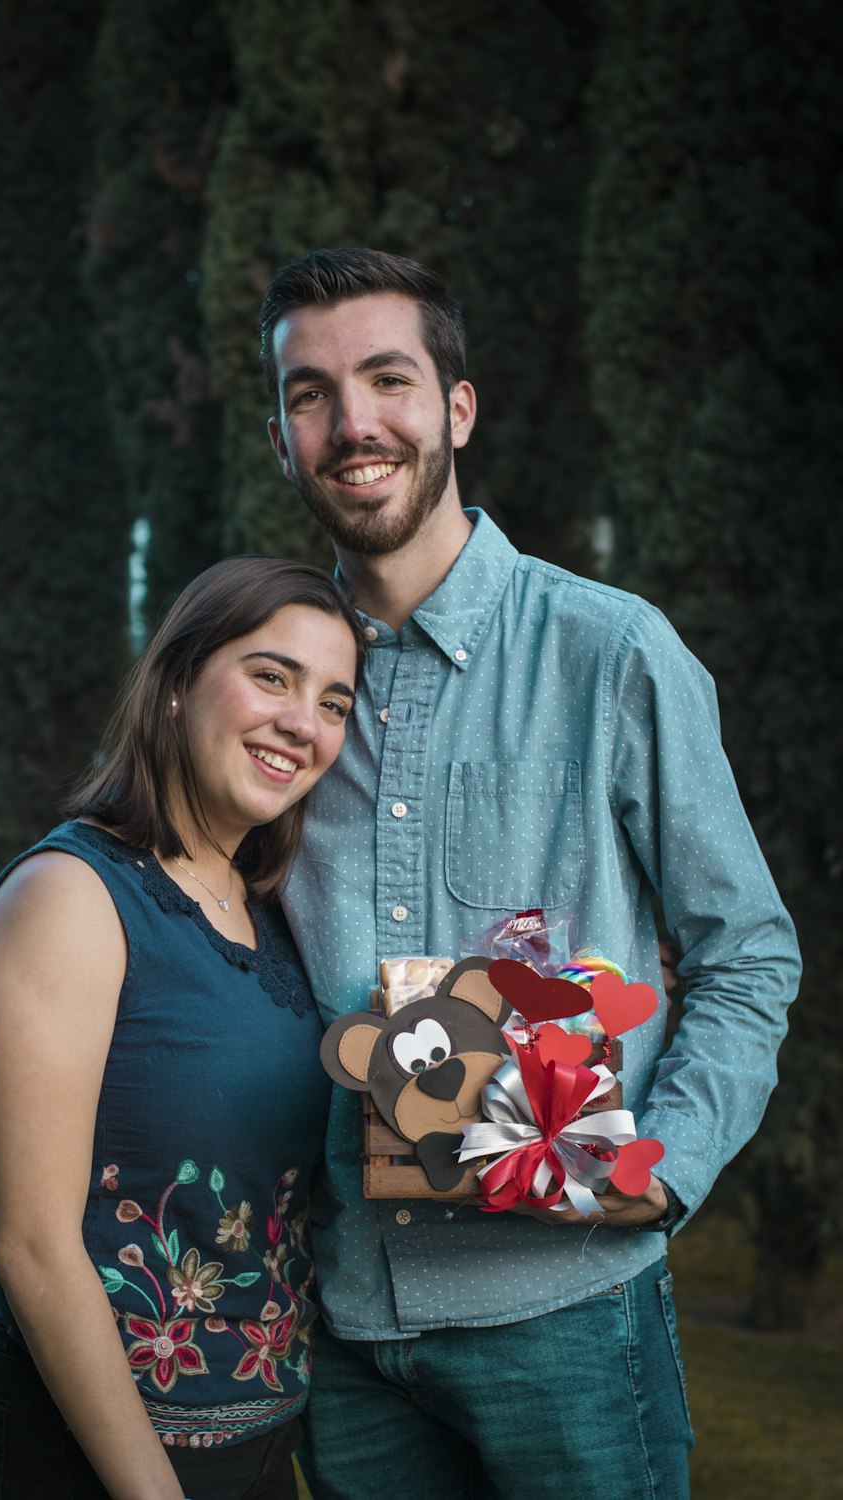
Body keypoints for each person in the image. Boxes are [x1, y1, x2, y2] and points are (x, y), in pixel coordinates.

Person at [259, 248, 801, 1500]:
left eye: (387, 379)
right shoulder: (276, 696)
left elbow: (747, 954)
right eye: (308, 394)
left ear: (455, 408)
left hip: (563, 1317)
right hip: (343, 1328)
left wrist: (659, 1169)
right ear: (282, 437)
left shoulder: (609, 652)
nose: (351, 424)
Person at [0, 557, 365, 1500]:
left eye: (335, 702)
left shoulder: (264, 913)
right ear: (175, 685)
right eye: (272, 676)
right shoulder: (72, 898)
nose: (305, 724)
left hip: (260, 1446)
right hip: (92, 1458)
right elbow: (35, 1245)